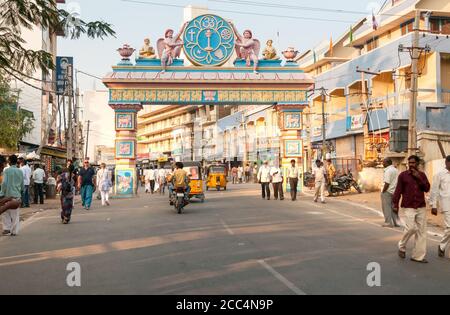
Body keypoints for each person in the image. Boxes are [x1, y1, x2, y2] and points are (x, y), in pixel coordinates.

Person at [393, 155, 431, 263]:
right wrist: (395, 204)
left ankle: (418, 256)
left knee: (422, 232)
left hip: (421, 206)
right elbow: (398, 190)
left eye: (413, 163)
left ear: (418, 164)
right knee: (411, 228)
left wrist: (419, 178)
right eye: (409, 163)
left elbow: (427, 188)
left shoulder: (422, 175)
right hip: (408, 206)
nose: (411, 165)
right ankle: (401, 245)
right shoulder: (403, 176)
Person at [430, 155, 450, 258]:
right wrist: (433, 205)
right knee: (449, 228)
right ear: (446, 163)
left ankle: (442, 246)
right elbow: (434, 190)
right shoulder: (439, 175)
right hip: (446, 205)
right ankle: (442, 246)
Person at [1, 155, 23, 236]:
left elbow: (4, 183)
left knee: (5, 212)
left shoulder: (6, 171)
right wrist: (21, 191)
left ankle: (7, 229)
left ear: (9, 161)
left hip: (7, 195)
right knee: (15, 213)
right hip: (17, 195)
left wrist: (2, 193)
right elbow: (22, 184)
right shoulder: (20, 171)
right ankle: (14, 231)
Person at [381, 158, 400, 228]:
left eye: (383, 162)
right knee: (393, 207)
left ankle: (388, 222)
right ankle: (396, 222)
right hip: (394, 191)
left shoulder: (388, 171)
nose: (383, 164)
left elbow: (387, 183)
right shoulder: (396, 170)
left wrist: (383, 191)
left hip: (387, 191)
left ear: (387, 163)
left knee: (386, 207)